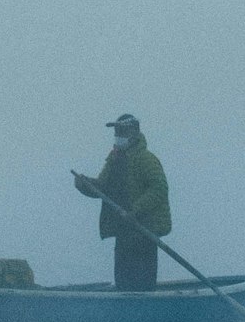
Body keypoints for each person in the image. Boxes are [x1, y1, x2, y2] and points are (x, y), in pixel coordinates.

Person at [74, 114, 173, 291]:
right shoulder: (114, 160)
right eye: (116, 131)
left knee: (142, 283)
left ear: (134, 132)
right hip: (124, 229)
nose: (118, 135)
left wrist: (134, 210)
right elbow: (103, 187)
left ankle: (146, 312)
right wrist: (85, 184)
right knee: (123, 281)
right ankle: (127, 311)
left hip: (143, 230)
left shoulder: (146, 159)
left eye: (122, 131)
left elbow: (159, 189)